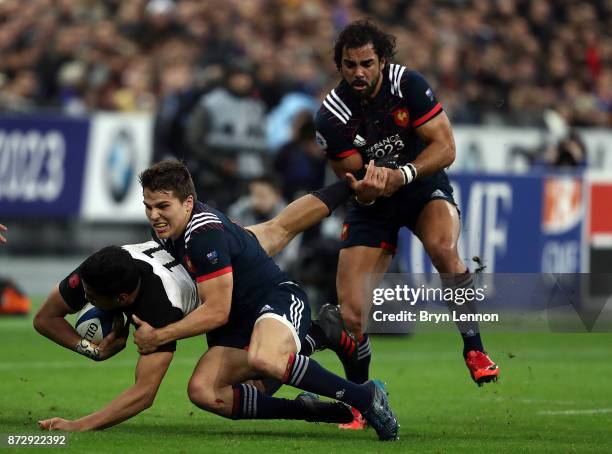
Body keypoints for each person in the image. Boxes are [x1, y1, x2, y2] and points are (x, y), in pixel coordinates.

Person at [313, 19, 499, 428]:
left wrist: (403, 175)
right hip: (373, 204)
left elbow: (446, 147)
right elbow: (354, 184)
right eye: (349, 65)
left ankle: (475, 348)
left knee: (442, 248)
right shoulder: (331, 116)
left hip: (420, 186)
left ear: (382, 60)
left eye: (366, 63)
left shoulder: (409, 85)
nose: (358, 72)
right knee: (352, 313)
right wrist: (367, 189)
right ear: (339, 66)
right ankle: (363, 402)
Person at [133, 160, 399, 441]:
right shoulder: (171, 235)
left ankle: (366, 396)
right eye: (148, 207)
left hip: (276, 301)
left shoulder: (204, 234)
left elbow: (216, 311)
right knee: (205, 391)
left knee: (265, 357)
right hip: (237, 327)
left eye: (162, 206)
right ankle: (313, 401)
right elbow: (278, 228)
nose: (154, 215)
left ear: (188, 203)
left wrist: (160, 336)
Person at [34, 242, 354, 431]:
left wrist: (78, 425)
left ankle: (316, 337)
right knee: (220, 390)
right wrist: (92, 350)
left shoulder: (159, 309)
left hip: (240, 304)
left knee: (223, 388)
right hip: (209, 295)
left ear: (121, 300)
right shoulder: (100, 266)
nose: (83, 296)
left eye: (90, 295)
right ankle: (310, 387)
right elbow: (45, 318)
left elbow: (144, 394)